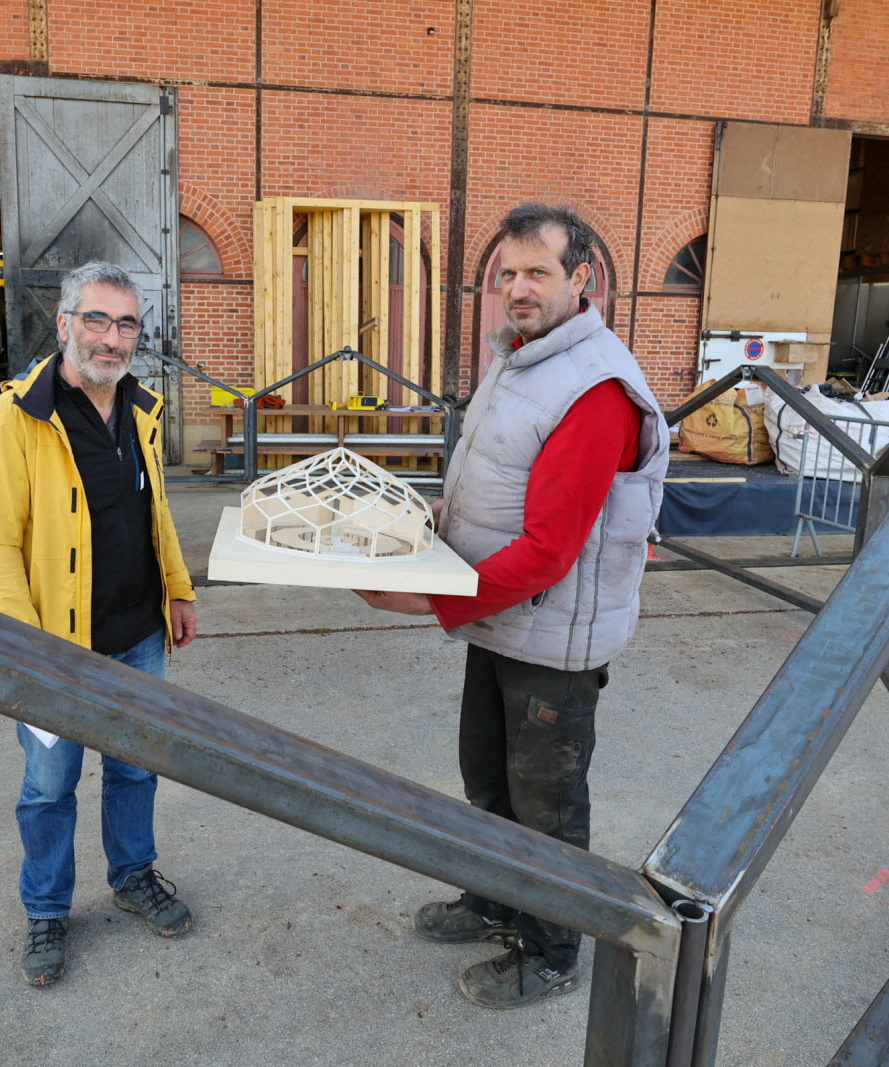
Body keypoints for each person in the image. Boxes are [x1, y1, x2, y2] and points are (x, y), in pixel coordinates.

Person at [357, 203, 669, 1008]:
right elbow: (496, 481)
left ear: (582, 279)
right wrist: (437, 520)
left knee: (548, 807)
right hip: (501, 621)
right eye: (507, 274)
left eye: (537, 272)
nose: (518, 288)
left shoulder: (596, 390)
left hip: (552, 643)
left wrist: (421, 594)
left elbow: (548, 551)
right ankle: (496, 897)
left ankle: (553, 946)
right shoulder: (523, 359)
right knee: (488, 781)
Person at [0, 260, 199, 988]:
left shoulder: (140, 409)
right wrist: (23, 645)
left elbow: (153, 511)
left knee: (135, 767)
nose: (112, 337)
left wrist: (179, 591)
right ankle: (46, 909)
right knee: (48, 784)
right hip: (56, 648)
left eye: (126, 323)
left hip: (137, 633)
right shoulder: (15, 418)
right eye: (96, 319)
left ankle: (133, 875)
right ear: (63, 324)